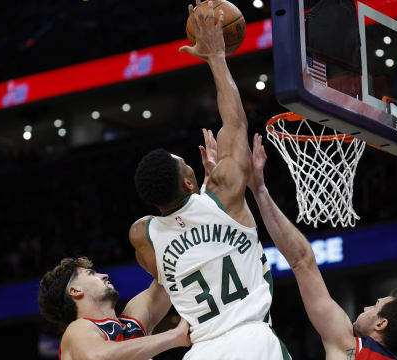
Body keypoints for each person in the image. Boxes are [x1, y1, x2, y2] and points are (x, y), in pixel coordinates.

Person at [129, 1, 289, 359]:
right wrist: (216, 56)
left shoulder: (142, 234)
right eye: (188, 165)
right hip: (251, 340)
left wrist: (203, 189)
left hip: (201, 351)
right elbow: (234, 123)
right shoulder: (225, 194)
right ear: (189, 182)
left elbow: (179, 258)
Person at [246, 133, 397, 359]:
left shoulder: (350, 347)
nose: (365, 308)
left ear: (381, 323)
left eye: (374, 306)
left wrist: (259, 190)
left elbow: (302, 261)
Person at [38, 256, 191, 360]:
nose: (104, 275)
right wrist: (175, 336)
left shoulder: (131, 322)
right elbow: (97, 356)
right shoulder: (77, 329)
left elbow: (170, 275)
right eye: (91, 274)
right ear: (75, 291)